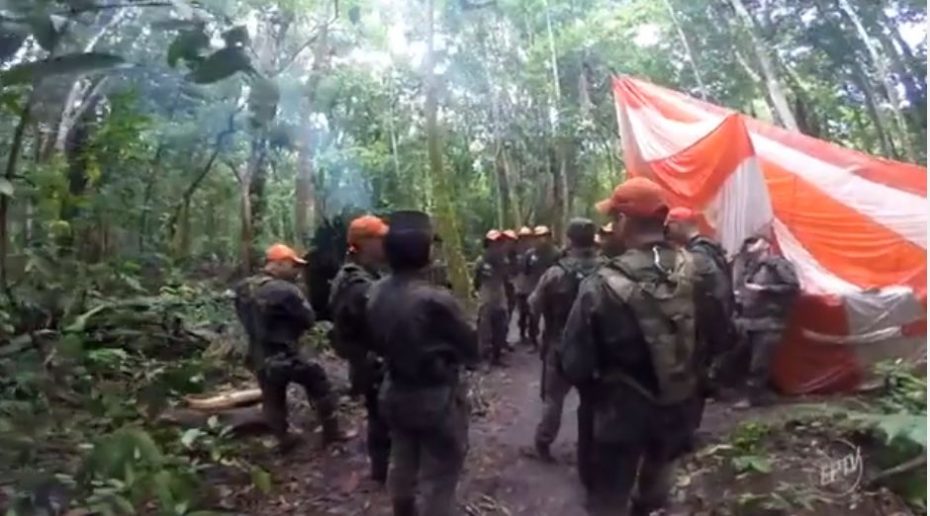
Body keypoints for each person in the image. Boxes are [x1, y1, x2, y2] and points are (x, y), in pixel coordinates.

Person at [560, 177, 702, 516]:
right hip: (680, 402)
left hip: (621, 409)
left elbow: (575, 362)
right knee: (658, 478)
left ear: (624, 221)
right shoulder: (698, 269)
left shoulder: (600, 285)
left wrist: (595, 395)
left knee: (608, 493)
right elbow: (721, 332)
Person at [367, 210, 479, 516]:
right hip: (434, 397)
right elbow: (471, 348)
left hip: (393, 391)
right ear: (424, 252)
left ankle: (402, 510)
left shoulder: (374, 292)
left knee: (402, 456)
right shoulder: (436, 299)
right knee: (440, 476)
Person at [234, 244, 345, 451]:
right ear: (278, 264)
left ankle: (283, 439)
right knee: (319, 381)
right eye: (293, 265)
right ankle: (332, 433)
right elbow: (308, 319)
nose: (297, 270)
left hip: (258, 355)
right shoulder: (285, 290)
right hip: (284, 354)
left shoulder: (243, 287)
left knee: (273, 398)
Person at [528, 218, 600, 463]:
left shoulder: (556, 272)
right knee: (592, 400)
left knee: (553, 399)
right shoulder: (608, 270)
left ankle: (543, 443)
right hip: (596, 347)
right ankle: (590, 449)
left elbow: (534, 304)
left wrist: (539, 330)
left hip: (559, 344)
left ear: (569, 239)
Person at [329, 215, 391, 483]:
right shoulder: (356, 283)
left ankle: (385, 468)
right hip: (370, 361)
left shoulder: (363, 274)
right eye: (380, 239)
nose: (385, 244)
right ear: (364, 243)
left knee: (381, 413)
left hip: (368, 359)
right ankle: (383, 470)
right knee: (381, 414)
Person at [665, 207, 736, 399]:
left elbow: (716, 292)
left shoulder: (699, 255)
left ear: (677, 225)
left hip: (707, 327)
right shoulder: (708, 249)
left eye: (669, 225)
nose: (667, 231)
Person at [732, 235, 800, 408]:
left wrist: (765, 290)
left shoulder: (778, 265)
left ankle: (753, 397)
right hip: (749, 320)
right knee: (743, 359)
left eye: (754, 242)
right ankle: (753, 394)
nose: (749, 247)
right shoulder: (750, 267)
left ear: (766, 245)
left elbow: (792, 287)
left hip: (769, 320)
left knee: (759, 362)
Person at [519, 225, 559, 349]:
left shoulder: (556, 253)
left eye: (543, 237)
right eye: (537, 237)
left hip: (552, 290)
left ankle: (550, 341)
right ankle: (533, 341)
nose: (540, 240)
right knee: (533, 317)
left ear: (548, 238)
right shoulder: (530, 254)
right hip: (534, 288)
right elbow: (525, 271)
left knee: (551, 317)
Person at [475, 230, 511, 365]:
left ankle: (497, 356)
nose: (497, 245)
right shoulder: (481, 261)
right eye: (494, 242)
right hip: (486, 293)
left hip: (499, 293)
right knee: (485, 327)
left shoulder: (503, 260)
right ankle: (484, 358)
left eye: (499, 243)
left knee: (501, 325)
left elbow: (507, 277)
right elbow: (477, 280)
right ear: (488, 244)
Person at [514, 226, 536, 346]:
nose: (525, 240)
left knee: (531, 314)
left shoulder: (533, 252)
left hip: (530, 287)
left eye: (527, 237)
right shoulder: (515, 251)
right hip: (520, 287)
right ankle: (522, 335)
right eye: (522, 237)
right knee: (522, 313)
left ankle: (532, 337)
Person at [502, 229, 519, 324]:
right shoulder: (498, 253)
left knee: (510, 308)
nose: (508, 242)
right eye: (506, 240)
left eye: (510, 240)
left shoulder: (515, 256)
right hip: (499, 287)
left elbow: (516, 270)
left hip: (511, 286)